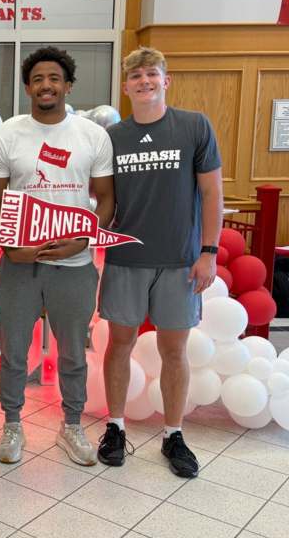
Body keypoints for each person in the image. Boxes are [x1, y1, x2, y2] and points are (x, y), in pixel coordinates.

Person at [97, 47, 222, 478]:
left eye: (152, 74)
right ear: (126, 86)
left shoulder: (194, 126)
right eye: (136, 76)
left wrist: (209, 252)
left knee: (174, 350)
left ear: (165, 80)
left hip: (179, 261)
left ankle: (173, 433)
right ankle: (115, 427)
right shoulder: (112, 137)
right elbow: (102, 198)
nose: (144, 81)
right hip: (126, 257)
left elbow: (211, 192)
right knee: (119, 344)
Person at [0, 46, 115, 466]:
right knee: (14, 351)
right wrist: (10, 246)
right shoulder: (8, 135)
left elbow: (106, 199)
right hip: (20, 265)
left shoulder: (92, 136)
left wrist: (84, 240)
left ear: (68, 86)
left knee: (73, 352)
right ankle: (12, 425)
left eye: (54, 78)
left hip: (74, 266)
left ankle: (72, 425)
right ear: (28, 87)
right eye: (38, 79)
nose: (46, 85)